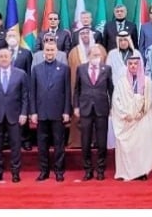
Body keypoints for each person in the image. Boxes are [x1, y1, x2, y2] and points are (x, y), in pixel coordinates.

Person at [0, 48, 29, 183]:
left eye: (6, 56)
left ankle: (15, 172)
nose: (3, 58)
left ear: (11, 58)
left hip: (14, 115)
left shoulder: (21, 74)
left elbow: (25, 96)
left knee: (15, 146)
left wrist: (24, 113)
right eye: (1, 56)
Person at [112, 55, 152, 181]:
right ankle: (125, 172)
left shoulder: (147, 81)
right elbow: (116, 101)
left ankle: (142, 172)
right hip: (127, 120)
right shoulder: (121, 82)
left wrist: (142, 112)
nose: (133, 66)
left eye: (136, 64)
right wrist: (125, 115)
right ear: (127, 66)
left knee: (142, 146)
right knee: (127, 146)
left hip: (142, 119)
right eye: (131, 64)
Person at [30, 41, 71, 182]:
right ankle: (44, 171)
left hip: (58, 112)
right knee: (42, 145)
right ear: (43, 52)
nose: (49, 53)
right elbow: (32, 92)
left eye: (52, 50)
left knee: (59, 144)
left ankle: (59, 171)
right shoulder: (36, 69)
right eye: (47, 50)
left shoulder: (64, 69)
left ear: (56, 51)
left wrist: (66, 111)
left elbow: (67, 91)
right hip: (41, 113)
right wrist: (33, 112)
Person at [73, 46, 113, 181]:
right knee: (85, 141)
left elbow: (111, 89)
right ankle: (88, 170)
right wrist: (76, 107)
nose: (97, 57)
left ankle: (101, 170)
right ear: (89, 56)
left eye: (99, 55)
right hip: (85, 109)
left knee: (102, 142)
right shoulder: (81, 69)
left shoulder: (106, 69)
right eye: (94, 55)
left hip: (102, 109)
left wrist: (112, 106)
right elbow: (77, 89)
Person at [67, 27, 107, 148]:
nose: (85, 35)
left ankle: (96, 142)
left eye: (87, 33)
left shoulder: (100, 50)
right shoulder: (74, 52)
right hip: (81, 93)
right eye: (82, 33)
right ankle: (78, 142)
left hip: (99, 93)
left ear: (91, 35)